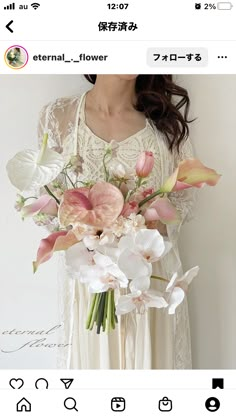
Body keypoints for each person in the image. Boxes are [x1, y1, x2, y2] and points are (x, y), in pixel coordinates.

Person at [38, 75, 196, 369]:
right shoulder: (59, 117)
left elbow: (183, 202)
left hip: (149, 286)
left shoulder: (163, 122)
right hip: (93, 283)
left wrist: (137, 222)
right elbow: (48, 201)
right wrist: (93, 231)